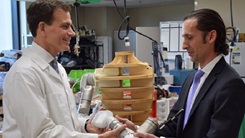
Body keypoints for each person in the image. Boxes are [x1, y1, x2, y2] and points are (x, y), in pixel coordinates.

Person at [2, 0, 126, 137]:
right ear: (42, 28)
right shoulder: (24, 74)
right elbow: (41, 133)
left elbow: (66, 120)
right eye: (65, 26)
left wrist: (85, 126)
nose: (72, 33)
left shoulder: (57, 68)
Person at [128, 8, 245, 138]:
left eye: (190, 37)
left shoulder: (230, 84)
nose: (184, 45)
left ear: (211, 36)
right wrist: (141, 131)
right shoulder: (191, 79)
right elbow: (175, 124)